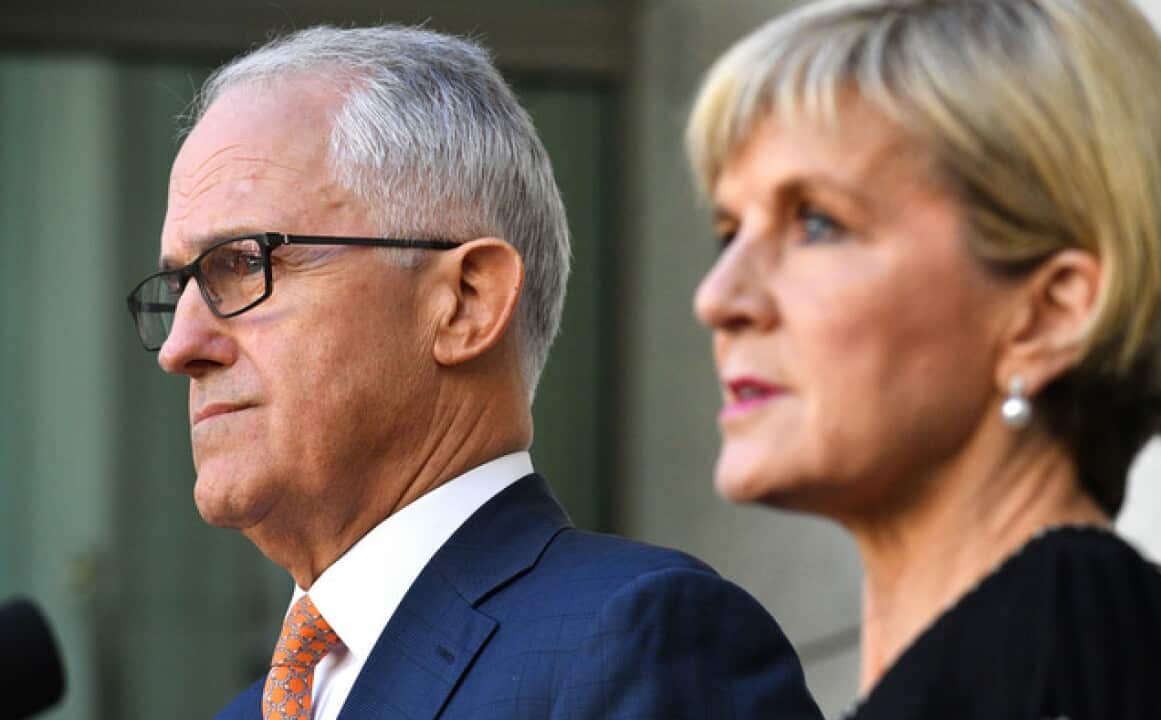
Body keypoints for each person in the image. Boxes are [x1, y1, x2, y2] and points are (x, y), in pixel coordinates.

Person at [125, 25, 821, 720]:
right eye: (179, 284)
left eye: (242, 263)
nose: (180, 345)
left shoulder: (638, 640)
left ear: (466, 302)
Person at [686, 0, 1161, 718]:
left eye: (816, 223)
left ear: (1049, 315)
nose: (718, 298)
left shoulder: (1069, 625)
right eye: (729, 232)